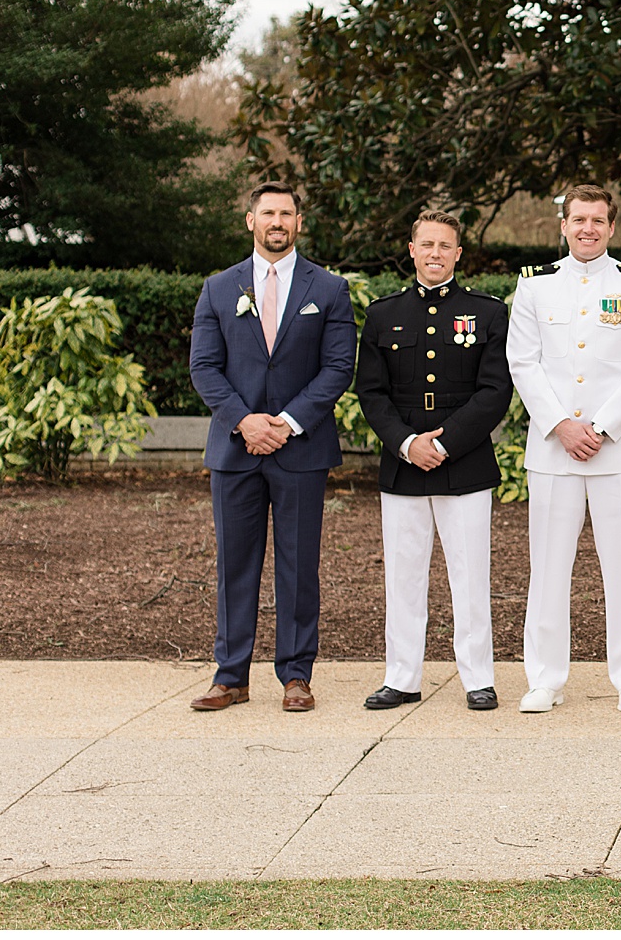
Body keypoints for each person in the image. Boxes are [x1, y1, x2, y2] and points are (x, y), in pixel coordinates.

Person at [188, 182, 356, 712]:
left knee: (298, 564)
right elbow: (204, 368)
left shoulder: (329, 289)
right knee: (235, 564)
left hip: (301, 450)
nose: (277, 221)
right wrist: (245, 422)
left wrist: (284, 422)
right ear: (250, 220)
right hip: (235, 451)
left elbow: (337, 368)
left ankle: (296, 676)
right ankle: (231, 675)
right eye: (268, 213)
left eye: (286, 213)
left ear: (299, 222)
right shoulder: (219, 288)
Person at [508, 184, 621, 714]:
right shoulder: (534, 287)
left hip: (617, 452)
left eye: (598, 220)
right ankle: (545, 679)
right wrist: (562, 425)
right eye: (579, 219)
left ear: (612, 227)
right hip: (554, 451)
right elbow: (522, 363)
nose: (588, 229)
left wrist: (598, 427)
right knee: (549, 567)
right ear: (563, 224)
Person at [355, 210, 513, 712]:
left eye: (445, 246)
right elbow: (372, 393)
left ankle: (478, 678)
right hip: (403, 464)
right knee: (403, 575)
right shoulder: (383, 315)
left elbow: (494, 391)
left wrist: (443, 444)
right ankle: (402, 676)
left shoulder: (486, 313)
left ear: (458, 253)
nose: (436, 254)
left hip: (463, 463)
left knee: (470, 575)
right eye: (427, 245)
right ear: (412, 249)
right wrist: (406, 443)